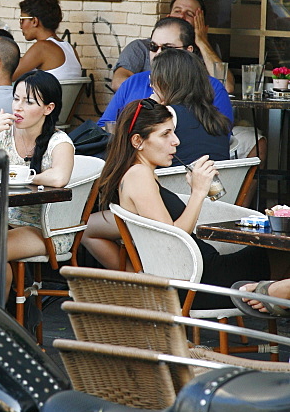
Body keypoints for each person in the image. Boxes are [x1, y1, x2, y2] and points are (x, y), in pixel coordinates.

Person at [81, 99, 278, 309]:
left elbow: (91, 229)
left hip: (198, 274)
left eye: (173, 132)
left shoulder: (140, 174)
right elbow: (173, 238)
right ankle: (273, 318)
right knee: (280, 252)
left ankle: (271, 307)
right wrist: (198, 192)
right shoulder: (138, 176)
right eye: (165, 134)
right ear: (138, 140)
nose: (175, 141)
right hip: (203, 281)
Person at [0, 70, 74, 293]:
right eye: (16, 98)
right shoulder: (5, 136)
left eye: (29, 102)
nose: (18, 107)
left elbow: (59, 176)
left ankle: (1, 317)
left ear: (49, 108)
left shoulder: (59, 141)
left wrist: (24, 175)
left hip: (47, 226)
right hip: (8, 216)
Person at [98, 17, 233, 132]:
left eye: (167, 48)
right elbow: (104, 128)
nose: (158, 53)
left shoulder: (213, 87)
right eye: (153, 47)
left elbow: (222, 136)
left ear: (188, 51)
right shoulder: (132, 82)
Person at [112, 0, 234, 93]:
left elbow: (226, 87)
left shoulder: (206, 50)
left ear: (201, 25)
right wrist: (161, 94)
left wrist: (202, 42)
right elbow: (118, 82)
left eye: (190, 14)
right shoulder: (140, 47)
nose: (181, 16)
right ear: (167, 17)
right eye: (177, 11)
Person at [149, 48, 231, 164]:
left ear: (165, 82)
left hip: (172, 181)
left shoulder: (168, 115)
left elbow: (139, 154)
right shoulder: (217, 118)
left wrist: (150, 106)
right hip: (215, 181)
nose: (151, 84)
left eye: (153, 78)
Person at [13, 0, 82, 81]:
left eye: (22, 20)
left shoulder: (42, 47)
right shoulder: (70, 49)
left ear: (34, 21)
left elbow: (7, 77)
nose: (20, 26)